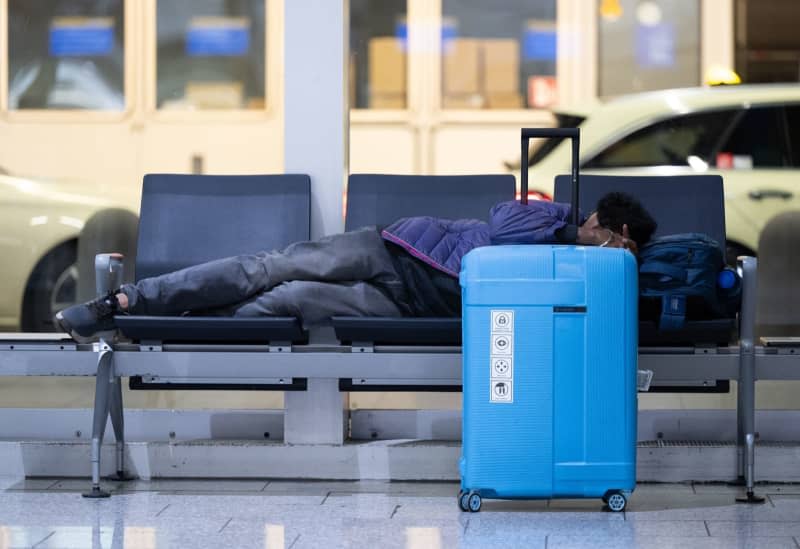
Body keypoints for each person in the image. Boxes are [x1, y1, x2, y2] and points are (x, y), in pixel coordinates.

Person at [55, 192, 657, 340]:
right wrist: (570, 232)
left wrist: (596, 265)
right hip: (394, 249)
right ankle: (127, 301)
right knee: (267, 267)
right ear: (608, 226)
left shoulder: (589, 272)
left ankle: (172, 323)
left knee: (288, 298)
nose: (614, 257)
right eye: (618, 245)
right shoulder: (550, 214)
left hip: (408, 304)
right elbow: (501, 228)